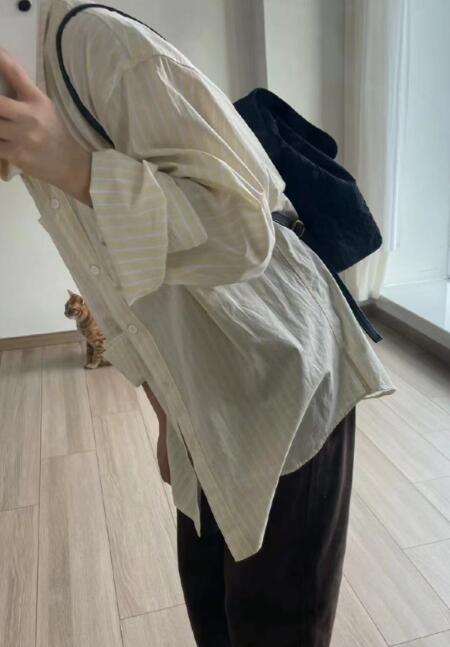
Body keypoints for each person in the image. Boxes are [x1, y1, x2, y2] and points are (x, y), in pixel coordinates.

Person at [0, 1, 396, 645]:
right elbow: (113, 289)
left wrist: (78, 167)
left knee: (276, 625)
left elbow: (245, 231)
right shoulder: (23, 97)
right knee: (213, 611)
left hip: (283, 372)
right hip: (201, 395)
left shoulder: (96, 47)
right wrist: (169, 417)